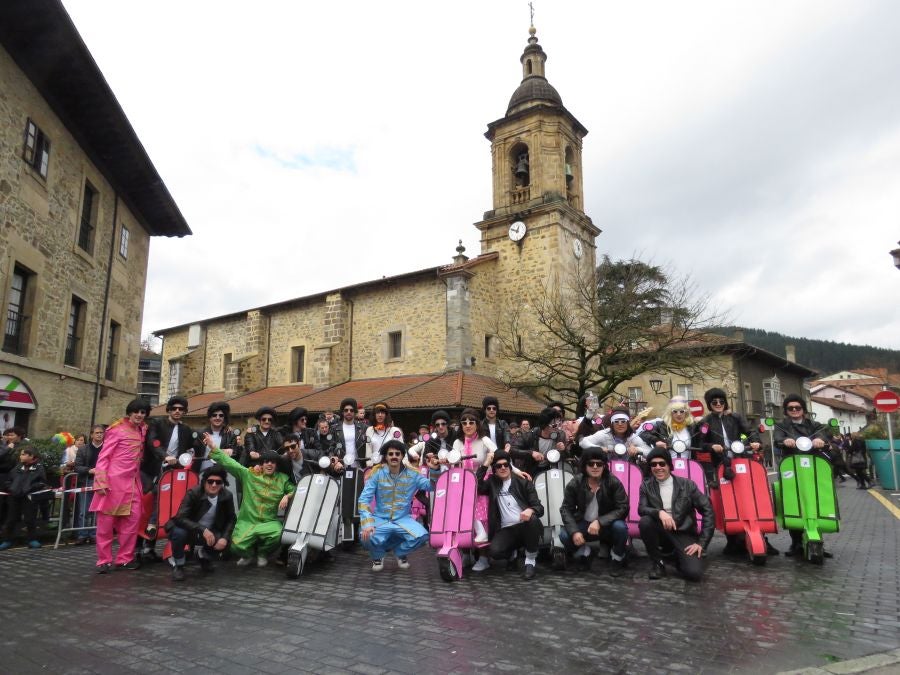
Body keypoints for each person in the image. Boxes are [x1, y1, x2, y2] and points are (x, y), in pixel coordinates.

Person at [207, 438, 294, 567]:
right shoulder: (249, 475)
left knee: (279, 534)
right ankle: (248, 554)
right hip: (247, 521)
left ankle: (262, 554)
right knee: (235, 546)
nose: (269, 464)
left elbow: (296, 490)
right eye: (266, 462)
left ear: (276, 465)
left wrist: (287, 496)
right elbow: (231, 463)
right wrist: (214, 448)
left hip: (268, 522)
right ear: (262, 464)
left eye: (273, 462)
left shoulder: (283, 479)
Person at [358, 440, 438, 570]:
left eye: (397, 453)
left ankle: (400, 552)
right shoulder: (377, 474)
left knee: (423, 536)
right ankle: (377, 556)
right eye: (390, 454)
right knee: (365, 535)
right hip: (380, 519)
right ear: (386, 457)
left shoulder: (412, 475)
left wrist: (434, 470)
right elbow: (363, 500)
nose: (394, 456)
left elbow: (432, 486)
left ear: (402, 456)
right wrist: (367, 524)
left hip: (403, 519)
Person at [91, 399, 150, 573]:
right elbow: (103, 457)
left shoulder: (143, 429)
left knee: (132, 524)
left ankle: (125, 558)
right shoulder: (116, 430)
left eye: (143, 412)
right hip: (113, 484)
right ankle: (104, 560)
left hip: (133, 485)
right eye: (136, 412)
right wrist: (101, 482)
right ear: (129, 412)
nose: (139, 415)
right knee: (106, 525)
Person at [638, 448, 714, 581]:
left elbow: (708, 510)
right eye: (653, 464)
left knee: (693, 574)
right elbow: (641, 509)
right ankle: (658, 563)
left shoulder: (687, 485)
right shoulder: (646, 485)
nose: (658, 467)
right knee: (645, 522)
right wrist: (659, 512)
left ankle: (675, 557)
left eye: (662, 464)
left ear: (669, 465)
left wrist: (702, 543)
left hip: (683, 531)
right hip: (660, 529)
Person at [773, 395, 833, 558]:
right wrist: (785, 441)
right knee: (794, 501)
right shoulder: (781, 426)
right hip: (791, 466)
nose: (794, 411)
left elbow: (824, 434)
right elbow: (777, 439)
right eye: (790, 408)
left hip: (813, 467)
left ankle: (818, 539)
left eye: (797, 408)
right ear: (786, 411)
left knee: (817, 500)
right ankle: (796, 543)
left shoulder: (814, 425)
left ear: (803, 410)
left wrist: (820, 440)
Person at [475, 449, 544, 579]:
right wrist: (485, 464)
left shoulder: (523, 482)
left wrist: (531, 510)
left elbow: (539, 507)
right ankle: (513, 553)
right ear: (494, 469)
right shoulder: (492, 482)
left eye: (506, 465)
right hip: (506, 529)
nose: (503, 468)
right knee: (494, 552)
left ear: (510, 466)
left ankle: (530, 562)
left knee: (533, 520)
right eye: (498, 466)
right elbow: (477, 485)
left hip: (525, 525)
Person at [559, 448, 629, 575]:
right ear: (584, 466)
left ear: (604, 466)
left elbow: (623, 507)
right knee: (564, 534)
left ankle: (617, 558)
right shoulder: (576, 482)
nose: (595, 467)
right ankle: (584, 553)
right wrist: (574, 532)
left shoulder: (613, 482)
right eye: (591, 463)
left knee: (620, 527)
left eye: (599, 463)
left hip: (607, 525)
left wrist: (600, 521)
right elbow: (565, 509)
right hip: (584, 523)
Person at [164, 465, 236, 581]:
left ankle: (203, 555)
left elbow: (231, 519)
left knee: (226, 541)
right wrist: (203, 529)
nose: (214, 485)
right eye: (210, 481)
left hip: (211, 531)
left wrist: (224, 538)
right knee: (178, 533)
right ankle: (179, 565)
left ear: (222, 483)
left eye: (218, 482)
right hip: (189, 530)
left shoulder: (227, 496)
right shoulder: (193, 493)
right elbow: (180, 518)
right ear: (204, 482)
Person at [0, 446, 48, 550]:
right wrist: (11, 488)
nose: (20, 456)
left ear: (31, 456)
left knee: (30, 519)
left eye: (23, 454)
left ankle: (32, 540)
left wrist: (31, 488)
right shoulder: (17, 467)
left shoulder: (38, 468)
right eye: (21, 454)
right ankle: (7, 540)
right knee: (11, 519)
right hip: (14, 497)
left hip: (29, 497)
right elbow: (9, 480)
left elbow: (42, 482)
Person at [579, 408, 651, 463]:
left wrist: (637, 449)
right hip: (606, 469)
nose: (620, 424)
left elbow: (650, 452)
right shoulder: (604, 434)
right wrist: (600, 449)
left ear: (627, 424)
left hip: (627, 470)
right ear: (612, 424)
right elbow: (582, 442)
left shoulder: (632, 437)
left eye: (623, 421)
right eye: (616, 422)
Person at [512, 406, 569, 475]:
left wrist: (563, 450)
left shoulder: (561, 435)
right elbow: (512, 450)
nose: (557, 428)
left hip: (552, 470)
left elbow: (566, 456)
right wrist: (531, 453)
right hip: (533, 470)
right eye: (554, 425)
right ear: (544, 424)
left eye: (559, 424)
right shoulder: (530, 435)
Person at [72, 425, 104, 544]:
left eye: (101, 433)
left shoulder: (107, 448)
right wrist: (89, 470)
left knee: (98, 510)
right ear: (91, 435)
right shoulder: (83, 449)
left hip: (102, 482)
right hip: (86, 481)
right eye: (97, 433)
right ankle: (82, 534)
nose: (99, 435)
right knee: (84, 510)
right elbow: (77, 466)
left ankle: (94, 534)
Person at [196, 402, 242, 472]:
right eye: (214, 415)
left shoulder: (230, 435)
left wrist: (232, 451)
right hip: (203, 472)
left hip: (224, 472)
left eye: (221, 415)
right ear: (210, 417)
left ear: (224, 418)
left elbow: (237, 453)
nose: (217, 418)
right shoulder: (200, 434)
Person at [332, 398, 367, 471]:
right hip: (340, 467)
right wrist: (335, 462)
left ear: (355, 412)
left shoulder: (363, 428)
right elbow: (330, 447)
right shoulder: (334, 428)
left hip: (360, 467)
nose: (349, 412)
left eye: (351, 410)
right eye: (346, 410)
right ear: (342, 412)